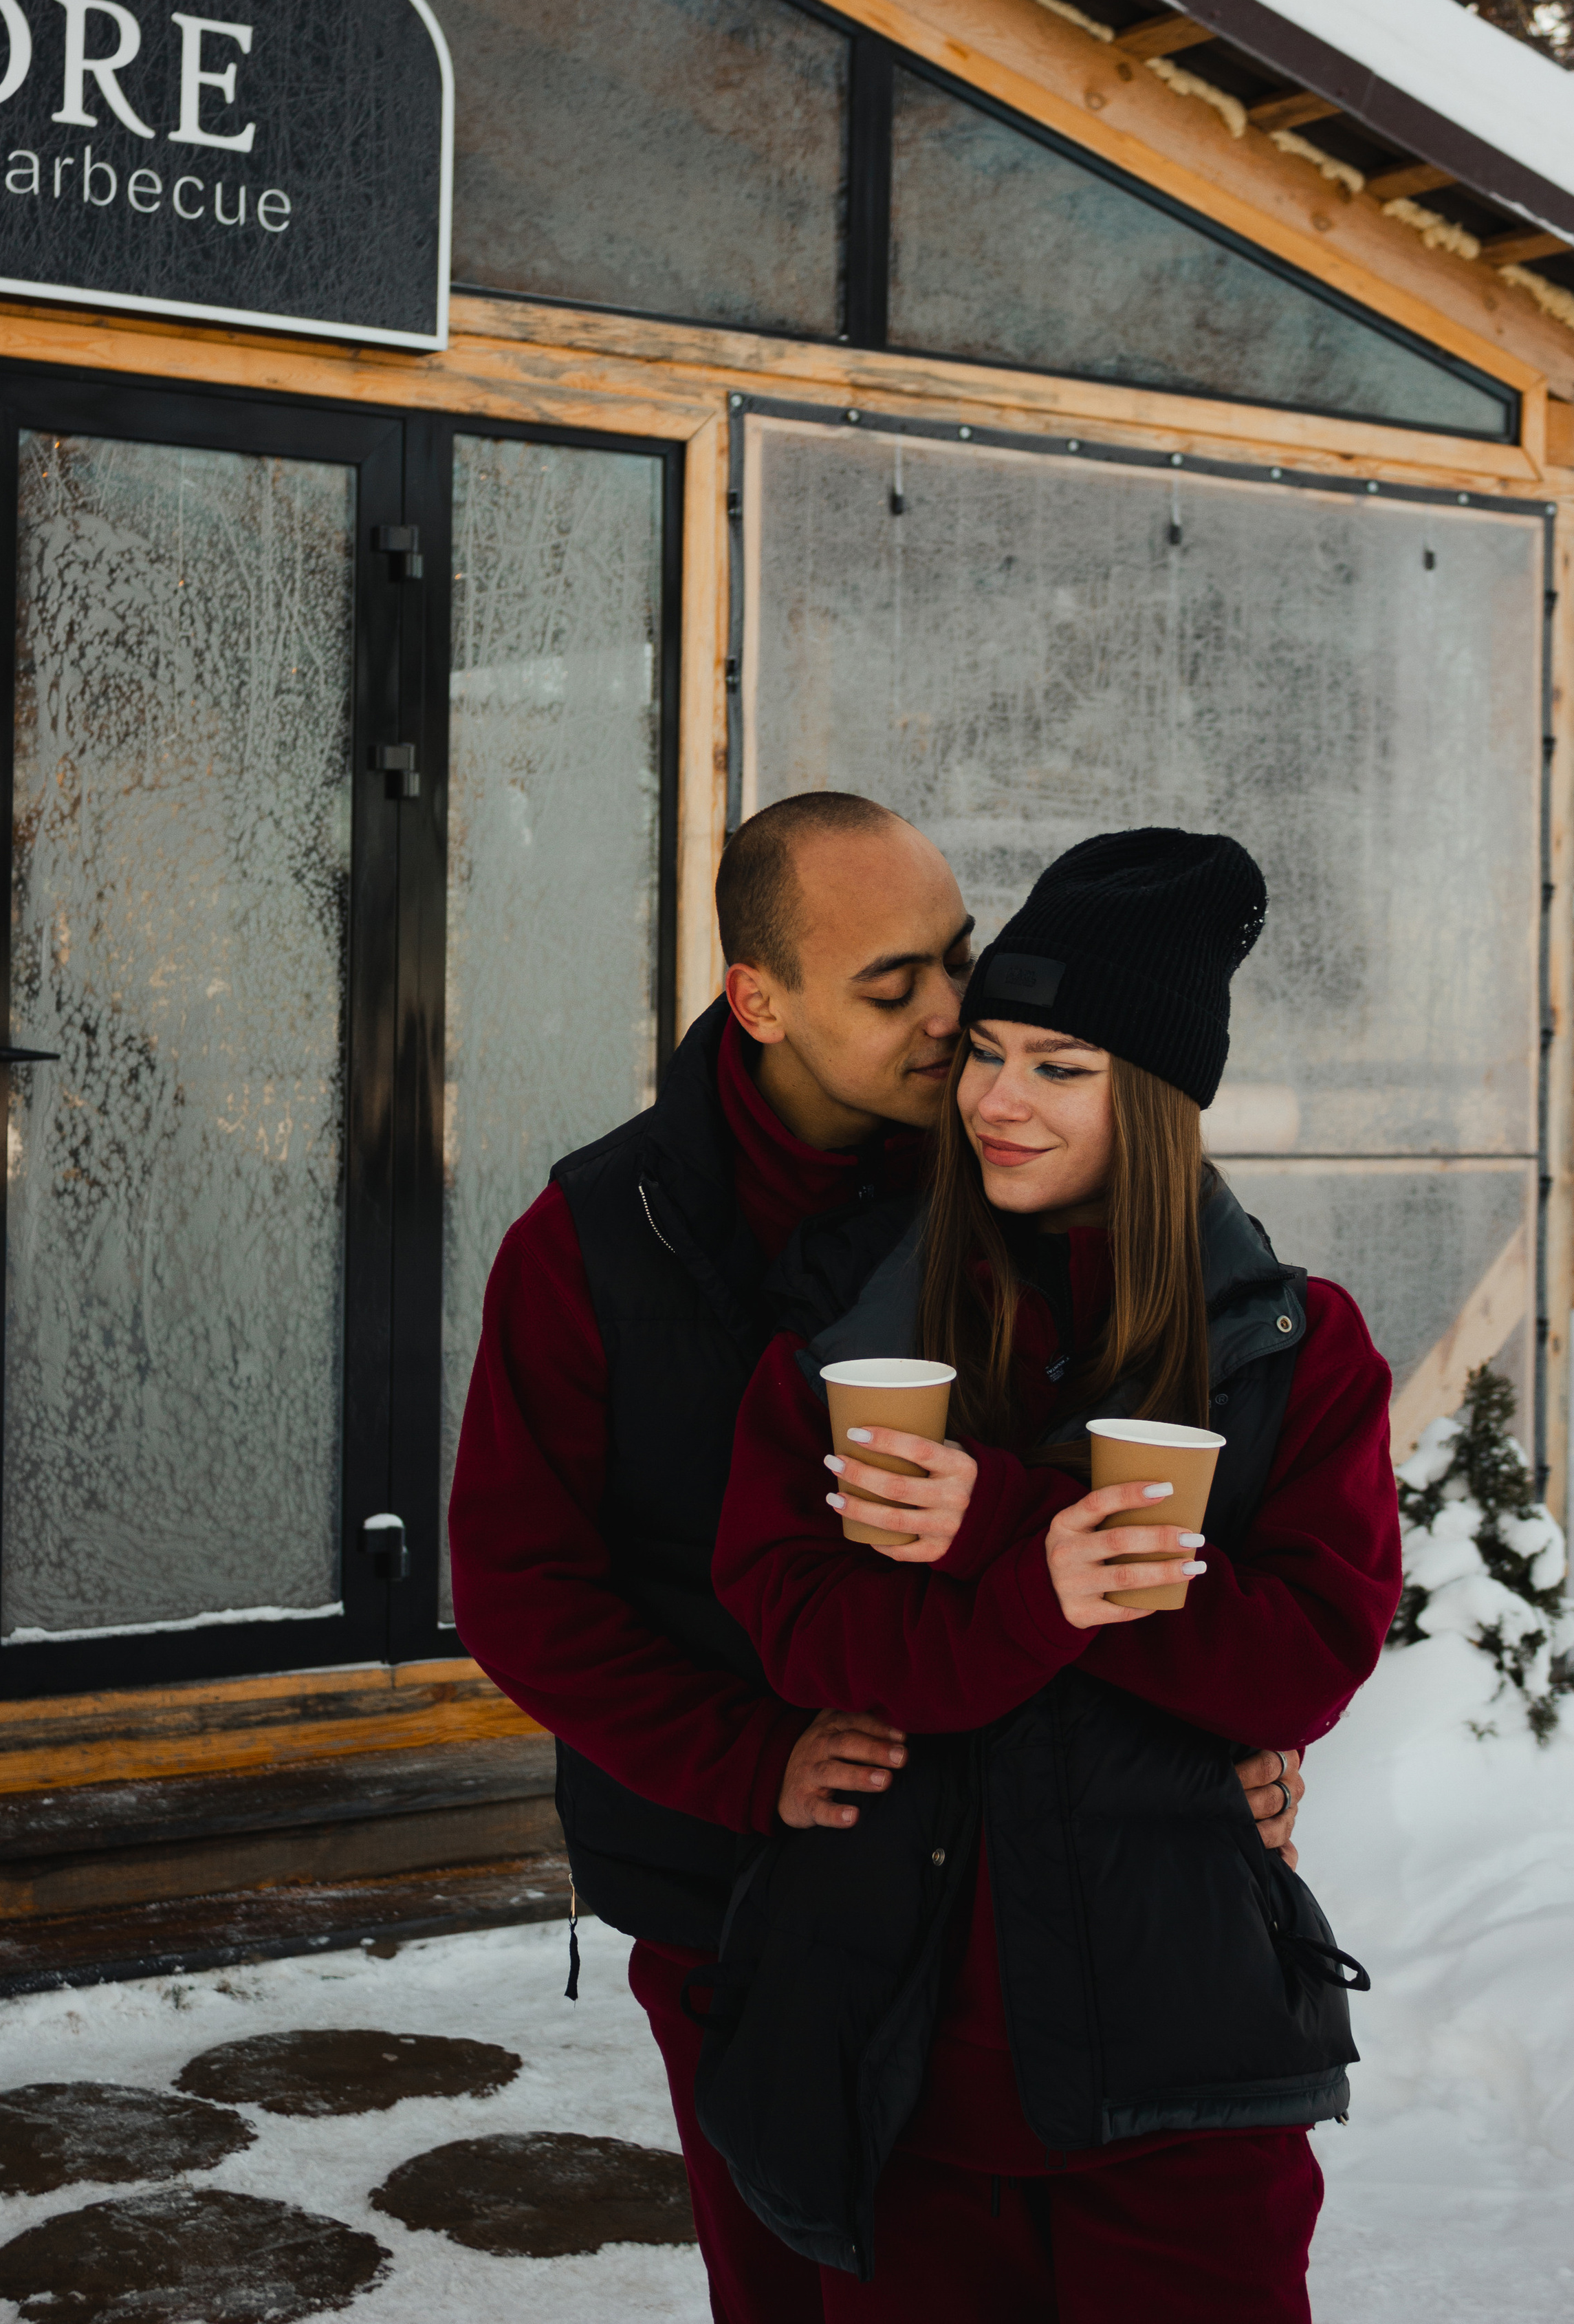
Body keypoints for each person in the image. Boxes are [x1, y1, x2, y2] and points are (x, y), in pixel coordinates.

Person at [450, 801, 1310, 2324]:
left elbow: (1187, 1499)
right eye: (891, 984)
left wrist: (1204, 1748)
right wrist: (748, 1758)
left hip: (1003, 1903)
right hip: (733, 1875)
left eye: (957, 962)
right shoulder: (597, 1238)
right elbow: (521, 1587)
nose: (951, 1018)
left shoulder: (1005, 1179)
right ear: (759, 996)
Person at [707, 828, 1402, 2322]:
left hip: (1182, 2080)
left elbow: (1300, 1662)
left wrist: (1000, 1526)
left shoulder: (1289, 1350)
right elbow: (799, 1624)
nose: (994, 1102)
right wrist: (1045, 1586)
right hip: (900, 2074)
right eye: (986, 1055)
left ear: (1150, 1099)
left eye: (1059, 1068)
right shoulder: (853, 1335)